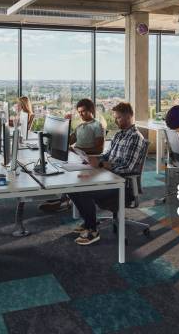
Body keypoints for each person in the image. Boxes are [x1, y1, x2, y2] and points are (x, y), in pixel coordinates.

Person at [68, 102, 146, 245]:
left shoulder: (135, 137)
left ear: (129, 116)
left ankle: (92, 230)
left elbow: (128, 167)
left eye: (119, 118)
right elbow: (107, 155)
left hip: (123, 184)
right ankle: (88, 222)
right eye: (115, 118)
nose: (116, 121)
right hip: (108, 177)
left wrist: (103, 165)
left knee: (84, 190)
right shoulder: (119, 135)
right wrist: (94, 160)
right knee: (72, 187)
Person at [39, 98, 105, 213]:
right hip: (77, 157)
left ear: (91, 110)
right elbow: (67, 141)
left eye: (83, 111)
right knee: (60, 168)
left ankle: (63, 202)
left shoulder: (97, 126)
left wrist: (79, 150)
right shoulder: (79, 126)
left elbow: (99, 148)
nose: (81, 114)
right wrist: (62, 127)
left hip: (87, 160)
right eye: (79, 112)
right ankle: (63, 199)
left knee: (65, 172)